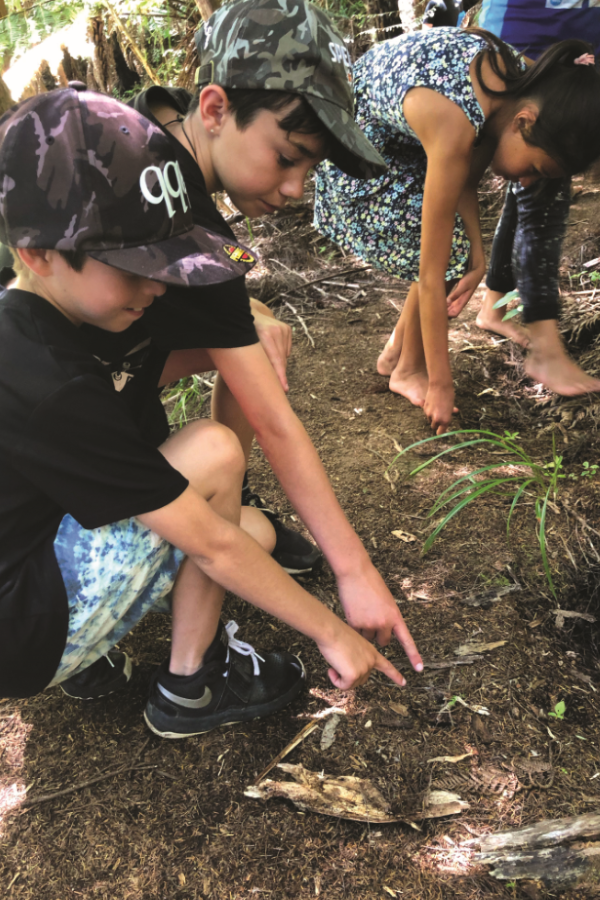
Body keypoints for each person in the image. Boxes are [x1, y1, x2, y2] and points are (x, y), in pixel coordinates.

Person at [0, 85, 422, 736]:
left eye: (167, 261)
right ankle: (189, 687)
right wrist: (332, 633)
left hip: (31, 553)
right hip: (21, 632)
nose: (156, 287)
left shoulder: (53, 320)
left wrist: (235, 335)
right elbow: (213, 543)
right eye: (133, 265)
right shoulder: (44, 377)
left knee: (251, 534)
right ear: (37, 253)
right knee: (216, 463)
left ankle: (100, 658)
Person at [74, 0, 418, 663]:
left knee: (254, 338)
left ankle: (226, 500)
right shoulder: (182, 226)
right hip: (54, 456)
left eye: (311, 170)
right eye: (287, 156)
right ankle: (187, 661)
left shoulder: (143, 128)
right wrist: (354, 569)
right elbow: (276, 420)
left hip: (69, 390)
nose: (295, 188)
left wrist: (250, 312)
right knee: (243, 527)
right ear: (214, 108)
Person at [314, 27, 600, 434]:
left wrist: (479, 256)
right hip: (353, 157)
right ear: (524, 122)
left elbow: (465, 178)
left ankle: (397, 352)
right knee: (442, 252)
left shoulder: (529, 85)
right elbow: (432, 277)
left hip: (397, 141)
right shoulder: (455, 119)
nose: (529, 184)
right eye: (535, 169)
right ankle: (410, 370)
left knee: (459, 251)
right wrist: (441, 384)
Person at [475, 0, 600, 396]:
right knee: (540, 197)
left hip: (563, 49)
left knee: (530, 186)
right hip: (527, 38)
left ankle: (493, 307)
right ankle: (546, 351)